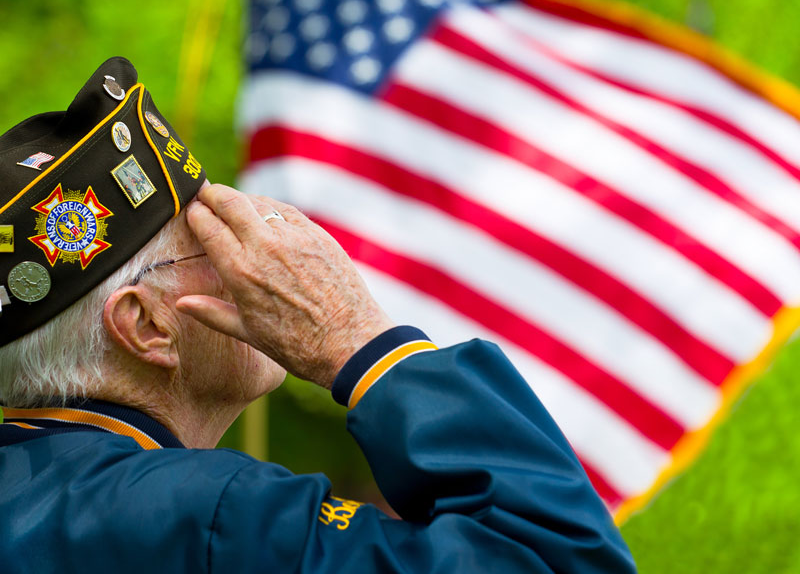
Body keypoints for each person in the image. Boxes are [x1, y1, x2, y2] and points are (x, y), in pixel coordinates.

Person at [0, 58, 636, 572]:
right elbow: (557, 559)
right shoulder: (211, 519)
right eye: (214, 234)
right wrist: (358, 339)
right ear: (147, 326)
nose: (268, 253)